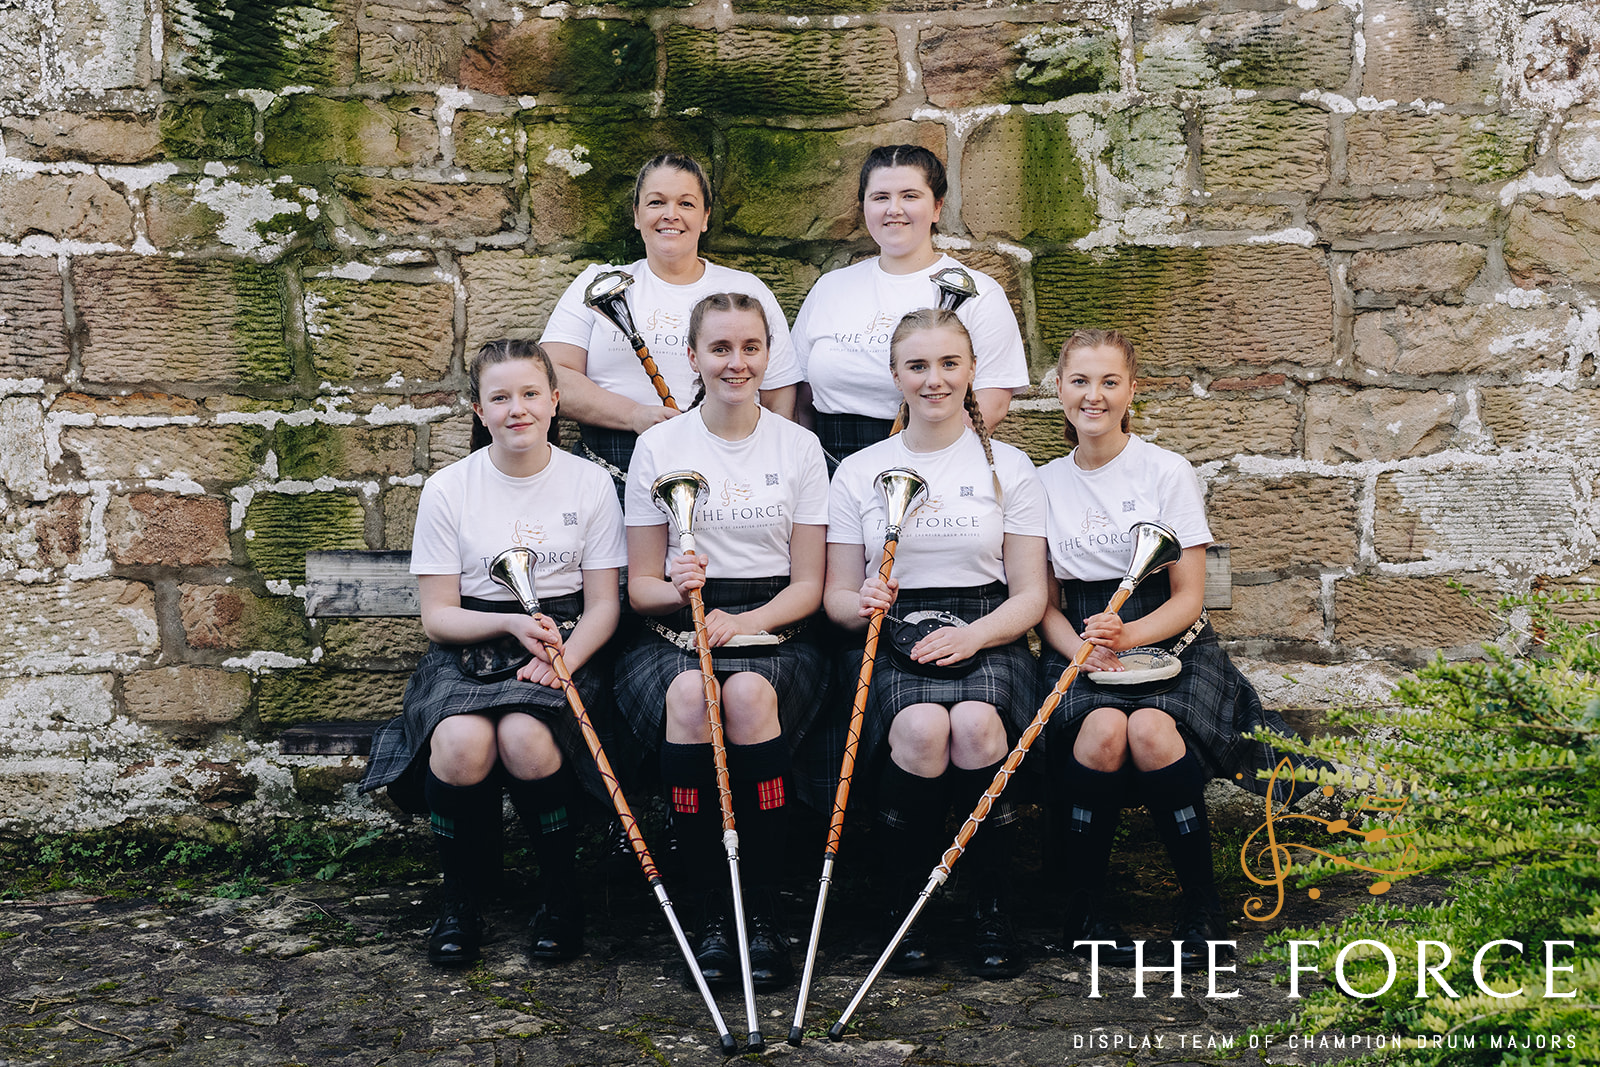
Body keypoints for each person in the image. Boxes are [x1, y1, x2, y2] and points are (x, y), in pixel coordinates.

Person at [1037, 328, 1316, 970]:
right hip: (1078, 640)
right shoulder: (1042, 482)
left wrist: (1128, 637)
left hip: (1168, 636)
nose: (1094, 395)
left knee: (1152, 732)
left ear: (1131, 391)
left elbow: (1189, 598)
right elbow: (1044, 603)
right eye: (1080, 381)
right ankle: (1086, 905)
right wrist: (1084, 650)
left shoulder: (1165, 471)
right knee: (1103, 731)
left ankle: (1200, 904)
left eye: (1110, 382)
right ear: (1059, 390)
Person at [359, 339, 626, 967]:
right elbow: (438, 617)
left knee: (525, 738)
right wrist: (509, 623)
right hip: (473, 642)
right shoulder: (450, 489)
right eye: (500, 397)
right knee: (460, 742)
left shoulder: (590, 482)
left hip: (565, 640)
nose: (517, 409)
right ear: (479, 410)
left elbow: (605, 606)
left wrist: (564, 659)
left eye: (530, 394)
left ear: (554, 401)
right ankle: (460, 899)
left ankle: (560, 896)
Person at [615, 292, 829, 991]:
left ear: (767, 355)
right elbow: (639, 587)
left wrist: (746, 620)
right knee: (692, 695)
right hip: (675, 629)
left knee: (746, 696)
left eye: (750, 348)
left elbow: (809, 585)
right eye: (720, 348)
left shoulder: (798, 446)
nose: (736, 363)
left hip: (778, 627)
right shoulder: (660, 446)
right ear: (693, 356)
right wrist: (678, 589)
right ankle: (710, 906)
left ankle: (760, 910)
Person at [823, 308, 1047, 978]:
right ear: (896, 375)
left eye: (949, 363)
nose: (934, 379)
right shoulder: (860, 469)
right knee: (921, 729)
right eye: (917, 365)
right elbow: (836, 599)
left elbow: (1030, 596)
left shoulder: (1008, 467)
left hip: (988, 626)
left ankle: (991, 906)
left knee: (976, 726)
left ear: (972, 370)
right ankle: (904, 907)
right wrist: (863, 601)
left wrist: (973, 635)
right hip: (892, 630)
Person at [540, 153, 801, 485]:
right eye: (656, 202)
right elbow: (550, 378)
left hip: (727, 463)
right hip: (610, 468)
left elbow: (779, 401)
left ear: (705, 217)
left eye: (686, 204)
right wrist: (635, 415)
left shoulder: (746, 290)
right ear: (637, 215)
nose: (671, 214)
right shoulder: (597, 283)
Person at [791, 144, 1031, 465]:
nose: (894, 209)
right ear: (864, 207)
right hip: (831, 467)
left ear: (937, 207)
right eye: (880, 197)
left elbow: (993, 402)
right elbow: (800, 399)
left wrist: (918, 464)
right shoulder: (829, 289)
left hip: (933, 464)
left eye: (910, 196)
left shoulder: (979, 293)